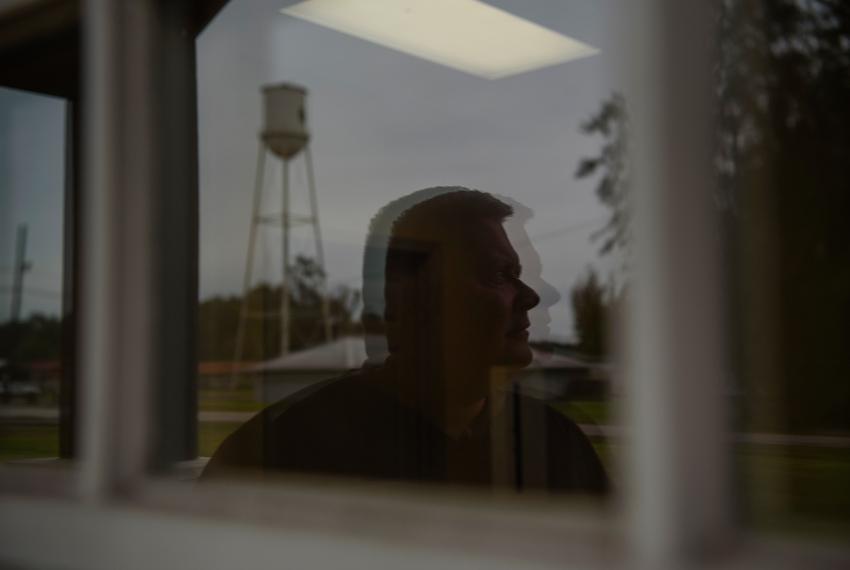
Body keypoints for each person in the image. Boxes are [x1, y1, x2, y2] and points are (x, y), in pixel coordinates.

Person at [202, 187, 609, 493]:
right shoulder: (281, 455)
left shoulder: (556, 443)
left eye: (518, 274)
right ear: (409, 303)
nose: (532, 296)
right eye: (498, 275)